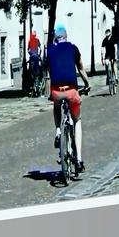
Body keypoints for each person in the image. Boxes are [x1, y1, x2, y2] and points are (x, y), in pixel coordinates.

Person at [46, 24, 90, 171]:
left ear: (55, 38)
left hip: (56, 91)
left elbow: (49, 73)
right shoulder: (73, 48)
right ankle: (78, 159)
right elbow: (81, 68)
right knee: (77, 120)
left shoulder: (50, 51)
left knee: (56, 105)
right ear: (66, 36)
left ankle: (58, 130)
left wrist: (49, 92)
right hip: (71, 91)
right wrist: (87, 83)